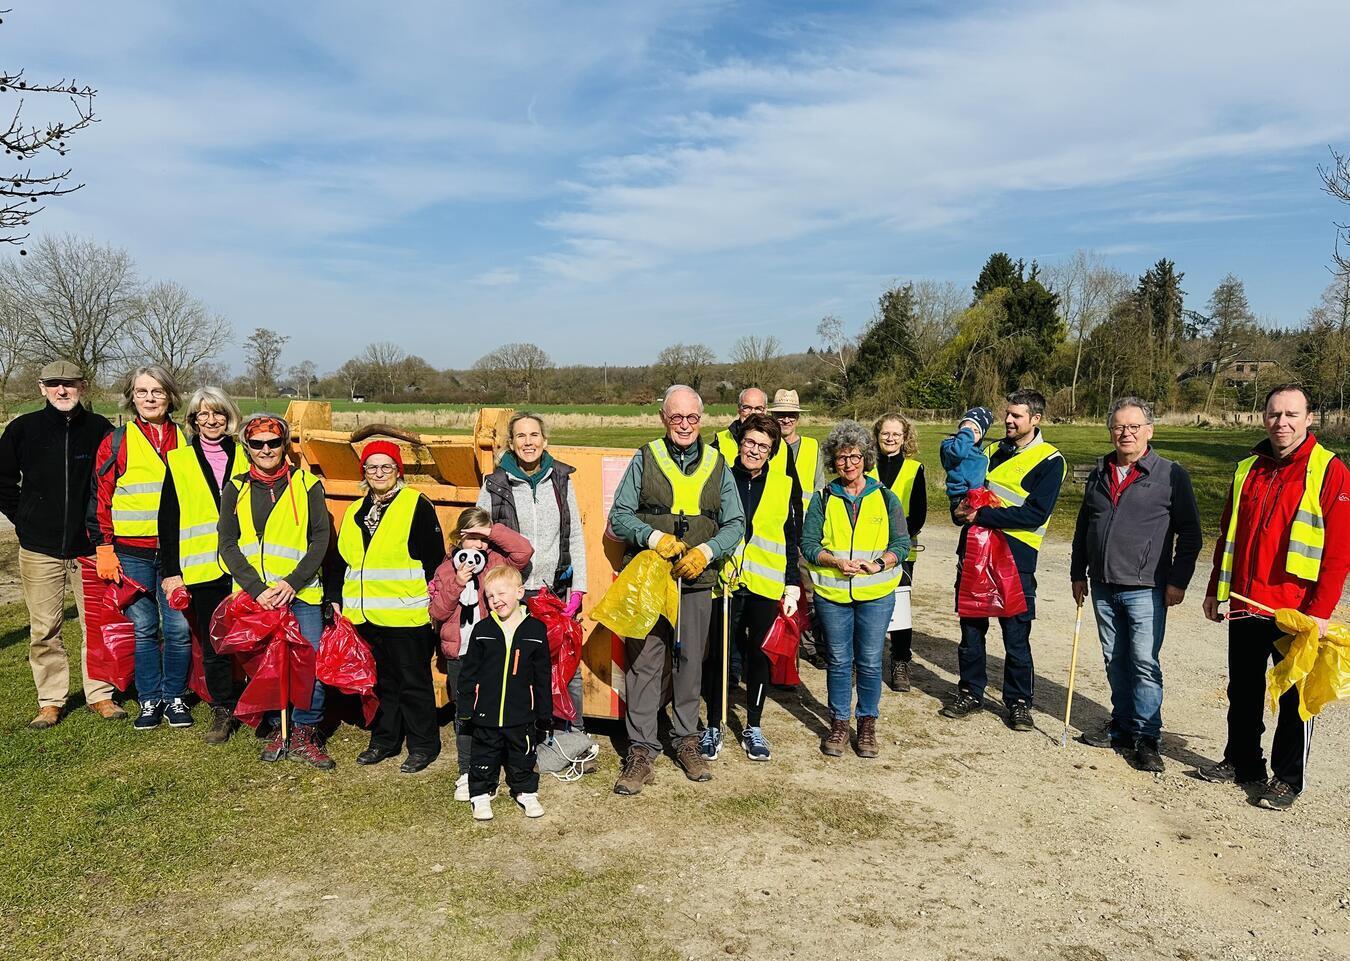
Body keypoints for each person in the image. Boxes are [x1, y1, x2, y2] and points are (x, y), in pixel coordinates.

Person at [1199, 384, 1350, 810]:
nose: (1281, 423)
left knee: (1294, 698)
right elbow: (1227, 532)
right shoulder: (1247, 468)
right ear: (1262, 417)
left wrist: (1320, 612)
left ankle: (1287, 778)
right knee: (1243, 690)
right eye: (1273, 414)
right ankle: (1243, 761)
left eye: (1290, 415)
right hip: (1247, 602)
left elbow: (1339, 552)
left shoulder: (1329, 470)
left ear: (1308, 419)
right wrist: (1215, 589)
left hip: (1297, 611)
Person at [608, 384, 745, 795]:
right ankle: (641, 751)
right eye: (676, 417)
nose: (684, 425)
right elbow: (619, 515)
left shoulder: (720, 463)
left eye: (692, 417)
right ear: (664, 419)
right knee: (646, 663)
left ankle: (686, 740)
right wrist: (653, 538)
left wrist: (706, 552)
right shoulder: (645, 457)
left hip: (697, 579)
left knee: (689, 662)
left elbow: (736, 523)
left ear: (701, 419)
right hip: (651, 579)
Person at [1069, 397, 1202, 773]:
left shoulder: (1170, 475)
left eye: (1133, 427)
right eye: (1118, 427)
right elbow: (1084, 527)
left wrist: (1178, 581)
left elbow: (1190, 534)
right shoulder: (1099, 473)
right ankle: (1122, 725)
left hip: (1147, 588)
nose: (1125, 433)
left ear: (1149, 430)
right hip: (1104, 585)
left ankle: (1147, 736)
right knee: (1115, 659)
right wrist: (1078, 572)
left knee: (1143, 662)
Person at [0, 360, 116, 728]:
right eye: (54, 384)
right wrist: (26, 519)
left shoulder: (101, 430)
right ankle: (51, 700)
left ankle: (101, 694)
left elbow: (115, 485)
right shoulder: (23, 429)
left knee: (96, 625)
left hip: (89, 547)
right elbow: (3, 482)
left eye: (69, 384)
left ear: (83, 386)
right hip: (39, 549)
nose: (62, 391)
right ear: (41, 388)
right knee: (44, 628)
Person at [942, 389, 1065, 732]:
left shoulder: (1051, 460)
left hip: (1016, 558)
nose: (1008, 420)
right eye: (1008, 414)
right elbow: (963, 498)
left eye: (1017, 416)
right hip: (973, 553)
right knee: (970, 633)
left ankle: (1019, 702)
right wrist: (959, 511)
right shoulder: (990, 451)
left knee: (1016, 638)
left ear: (1035, 419)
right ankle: (969, 691)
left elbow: (1034, 514)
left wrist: (979, 517)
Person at [218, 413, 335, 769]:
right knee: (267, 664)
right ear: (248, 448)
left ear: (284, 445)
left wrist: (292, 583)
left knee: (310, 663)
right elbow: (228, 543)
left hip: (301, 593)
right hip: (258, 598)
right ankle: (275, 727)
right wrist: (257, 589)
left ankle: (304, 730)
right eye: (257, 444)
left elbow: (320, 538)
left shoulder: (307, 484)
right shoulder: (235, 488)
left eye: (273, 442)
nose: (266, 449)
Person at [88, 365, 191, 731]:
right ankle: (150, 700)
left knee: (178, 627)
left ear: (169, 397)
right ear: (132, 397)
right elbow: (101, 498)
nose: (150, 398)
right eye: (142, 391)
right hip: (132, 554)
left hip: (176, 553)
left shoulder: (186, 440)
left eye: (157, 391)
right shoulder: (116, 441)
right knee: (144, 627)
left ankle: (175, 696)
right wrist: (104, 547)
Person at [335, 441, 445, 774]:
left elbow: (433, 559)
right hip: (366, 615)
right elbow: (345, 562)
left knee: (413, 681)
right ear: (363, 473)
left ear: (398, 471)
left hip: (405, 612)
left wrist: (434, 605)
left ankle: (423, 745)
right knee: (381, 683)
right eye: (372, 467)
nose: (379, 473)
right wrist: (337, 600)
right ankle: (384, 740)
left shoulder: (416, 505)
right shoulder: (355, 510)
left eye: (387, 467)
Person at [699, 413, 802, 763]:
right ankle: (714, 724)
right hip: (723, 583)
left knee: (759, 655)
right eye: (750, 442)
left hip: (765, 584)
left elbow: (789, 537)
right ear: (740, 442)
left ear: (772, 452)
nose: (755, 450)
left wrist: (792, 582)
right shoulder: (719, 477)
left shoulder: (783, 485)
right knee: (719, 656)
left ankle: (754, 726)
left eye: (763, 446)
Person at [804, 420, 909, 758]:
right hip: (833, 594)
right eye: (840, 458)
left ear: (866, 458)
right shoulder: (823, 498)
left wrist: (880, 564)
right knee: (838, 660)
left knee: (868, 660)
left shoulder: (885, 497)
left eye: (854, 457)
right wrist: (833, 561)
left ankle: (866, 724)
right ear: (832, 461)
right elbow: (807, 544)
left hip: (875, 594)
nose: (847, 464)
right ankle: (837, 722)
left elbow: (902, 543)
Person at [477, 411, 588, 727]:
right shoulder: (495, 485)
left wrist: (578, 587)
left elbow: (574, 534)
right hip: (515, 594)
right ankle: (524, 734)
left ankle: (571, 734)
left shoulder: (561, 479)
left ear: (545, 440)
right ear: (511, 443)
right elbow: (479, 535)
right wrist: (494, 589)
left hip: (554, 590)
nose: (529, 442)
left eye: (534, 435)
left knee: (567, 666)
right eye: (521, 436)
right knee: (518, 666)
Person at [159, 386, 248, 744]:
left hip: (246, 568)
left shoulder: (248, 454)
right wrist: (170, 572)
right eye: (203, 414)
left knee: (254, 639)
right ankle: (223, 709)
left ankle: (261, 706)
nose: (212, 420)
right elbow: (168, 521)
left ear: (229, 417)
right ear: (193, 420)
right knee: (214, 645)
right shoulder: (178, 461)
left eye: (219, 413)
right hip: (202, 570)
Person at [429, 507, 533, 801]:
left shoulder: (496, 563)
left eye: (481, 539)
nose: (476, 546)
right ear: (458, 539)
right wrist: (457, 583)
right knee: (466, 714)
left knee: (496, 710)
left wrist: (491, 533)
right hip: (460, 653)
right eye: (470, 538)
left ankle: (494, 768)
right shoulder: (446, 569)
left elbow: (524, 552)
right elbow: (437, 611)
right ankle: (467, 771)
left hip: (493, 652)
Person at [457, 564, 552, 821]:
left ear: (520, 592)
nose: (496, 600)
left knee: (522, 755)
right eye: (490, 596)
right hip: (485, 713)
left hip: (521, 714)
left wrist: (544, 713)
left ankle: (525, 792)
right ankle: (481, 794)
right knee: (483, 755)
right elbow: (468, 673)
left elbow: (543, 676)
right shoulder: (483, 631)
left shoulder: (535, 631)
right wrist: (465, 708)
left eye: (502, 593)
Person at [870, 412, 928, 692]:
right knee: (865, 607)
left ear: (905, 438)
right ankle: (864, 661)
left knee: (900, 611)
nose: (890, 438)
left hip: (901, 553)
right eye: (885, 434)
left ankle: (900, 661)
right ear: (877, 436)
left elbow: (918, 514)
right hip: (865, 549)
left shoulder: (915, 469)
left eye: (896, 434)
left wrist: (896, 541)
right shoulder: (865, 466)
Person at [770, 388, 826, 668]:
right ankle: (775, 649)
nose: (786, 419)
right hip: (771, 532)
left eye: (790, 414)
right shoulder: (766, 445)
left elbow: (819, 492)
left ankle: (810, 646)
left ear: (798, 418)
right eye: (780, 414)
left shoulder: (813, 448)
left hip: (803, 532)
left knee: (807, 593)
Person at [939, 406, 994, 516]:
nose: (970, 434)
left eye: (976, 431)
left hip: (977, 495)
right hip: (961, 495)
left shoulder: (978, 451)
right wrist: (966, 432)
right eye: (967, 428)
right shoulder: (950, 445)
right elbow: (958, 452)